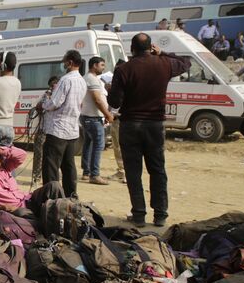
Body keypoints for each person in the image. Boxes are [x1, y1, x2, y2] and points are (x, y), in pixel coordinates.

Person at [108, 33, 190, 227]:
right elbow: (186, 62)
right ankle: (160, 214)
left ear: (132, 49)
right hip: (155, 125)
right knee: (158, 170)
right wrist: (163, 53)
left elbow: (114, 102)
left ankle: (138, 214)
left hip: (130, 125)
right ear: (151, 47)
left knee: (133, 171)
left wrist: (113, 88)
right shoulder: (164, 64)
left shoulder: (123, 69)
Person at [37, 49, 87, 198]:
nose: (63, 64)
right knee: (68, 166)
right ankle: (71, 196)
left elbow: (55, 103)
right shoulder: (82, 81)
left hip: (58, 130)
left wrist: (43, 104)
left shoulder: (66, 80)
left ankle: (52, 198)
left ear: (70, 62)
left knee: (51, 167)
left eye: (64, 61)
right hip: (71, 130)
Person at [0, 143, 64, 217]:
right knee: (37, 215)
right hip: (15, 210)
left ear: (2, 158)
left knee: (54, 186)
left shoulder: (5, 167)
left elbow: (22, 155)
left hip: (28, 199)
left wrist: (0, 149)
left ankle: (67, 213)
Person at [80, 57, 114, 185]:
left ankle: (86, 172)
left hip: (89, 116)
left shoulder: (89, 78)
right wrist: (108, 114)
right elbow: (97, 100)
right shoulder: (91, 79)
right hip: (92, 117)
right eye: (102, 65)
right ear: (94, 65)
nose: (103, 67)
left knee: (89, 143)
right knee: (99, 144)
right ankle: (94, 174)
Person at [100, 61, 126, 182]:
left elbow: (116, 103)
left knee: (119, 145)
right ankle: (124, 171)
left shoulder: (121, 84)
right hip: (124, 119)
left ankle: (122, 172)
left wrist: (110, 90)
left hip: (119, 118)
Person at [31, 76, 58, 187]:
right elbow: (39, 107)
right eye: (52, 85)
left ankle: (51, 179)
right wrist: (46, 99)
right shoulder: (46, 96)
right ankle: (36, 178)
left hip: (55, 131)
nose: (53, 87)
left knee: (52, 157)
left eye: (55, 84)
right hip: (43, 130)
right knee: (39, 155)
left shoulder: (61, 96)